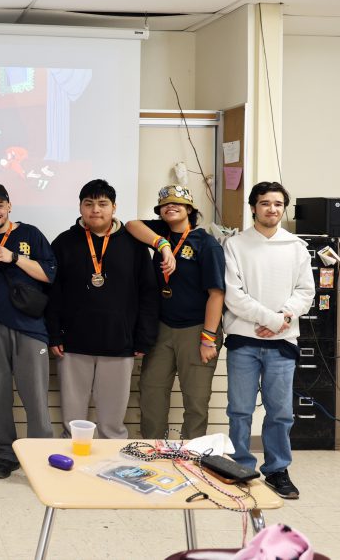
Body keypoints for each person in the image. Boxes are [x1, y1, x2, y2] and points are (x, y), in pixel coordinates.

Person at [46, 179, 158, 440]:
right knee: (73, 422)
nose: (95, 209)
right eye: (89, 204)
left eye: (102, 204)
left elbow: (148, 293)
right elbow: (52, 293)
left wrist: (143, 337)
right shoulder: (63, 242)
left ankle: (112, 470)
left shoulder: (134, 244)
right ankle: (69, 469)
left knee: (112, 424)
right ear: (80, 207)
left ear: (114, 208)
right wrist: (54, 334)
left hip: (119, 343)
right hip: (73, 344)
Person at [223, 181, 314, 499]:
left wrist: (284, 317)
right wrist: (273, 320)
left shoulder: (296, 247)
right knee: (240, 410)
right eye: (264, 203)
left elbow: (306, 292)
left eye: (277, 203)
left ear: (283, 208)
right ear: (253, 207)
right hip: (244, 340)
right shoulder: (235, 245)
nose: (271, 209)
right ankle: (240, 465)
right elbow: (234, 296)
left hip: (283, 342)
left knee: (280, 412)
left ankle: (277, 470)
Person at [0, 183, 56, 479]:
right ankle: (6, 453)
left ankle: (41, 457)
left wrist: (15, 258)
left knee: (35, 398)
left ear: (9, 206)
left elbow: (50, 275)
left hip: (30, 328)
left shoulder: (30, 234)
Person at [125, 185, 225, 440]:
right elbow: (131, 224)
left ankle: (191, 453)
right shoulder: (161, 233)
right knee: (151, 391)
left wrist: (208, 338)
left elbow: (217, 294)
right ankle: (154, 446)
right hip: (162, 328)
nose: (171, 207)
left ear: (189, 209)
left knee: (196, 398)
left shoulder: (206, 243)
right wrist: (162, 245)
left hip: (196, 330)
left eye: (178, 204)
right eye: (165, 204)